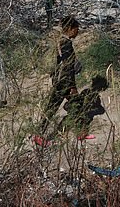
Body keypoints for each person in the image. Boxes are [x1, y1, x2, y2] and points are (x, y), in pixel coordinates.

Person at [37, 16, 82, 144]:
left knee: (75, 105)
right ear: (71, 29)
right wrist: (72, 86)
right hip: (64, 82)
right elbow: (67, 68)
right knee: (52, 108)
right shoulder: (66, 44)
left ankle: (80, 132)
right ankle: (39, 134)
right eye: (76, 29)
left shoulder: (59, 42)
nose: (77, 32)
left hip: (59, 80)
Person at [58, 75, 109, 140]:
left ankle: (68, 132)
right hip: (80, 110)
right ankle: (76, 133)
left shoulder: (88, 92)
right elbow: (96, 107)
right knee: (81, 120)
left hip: (79, 110)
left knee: (74, 119)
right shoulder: (93, 95)